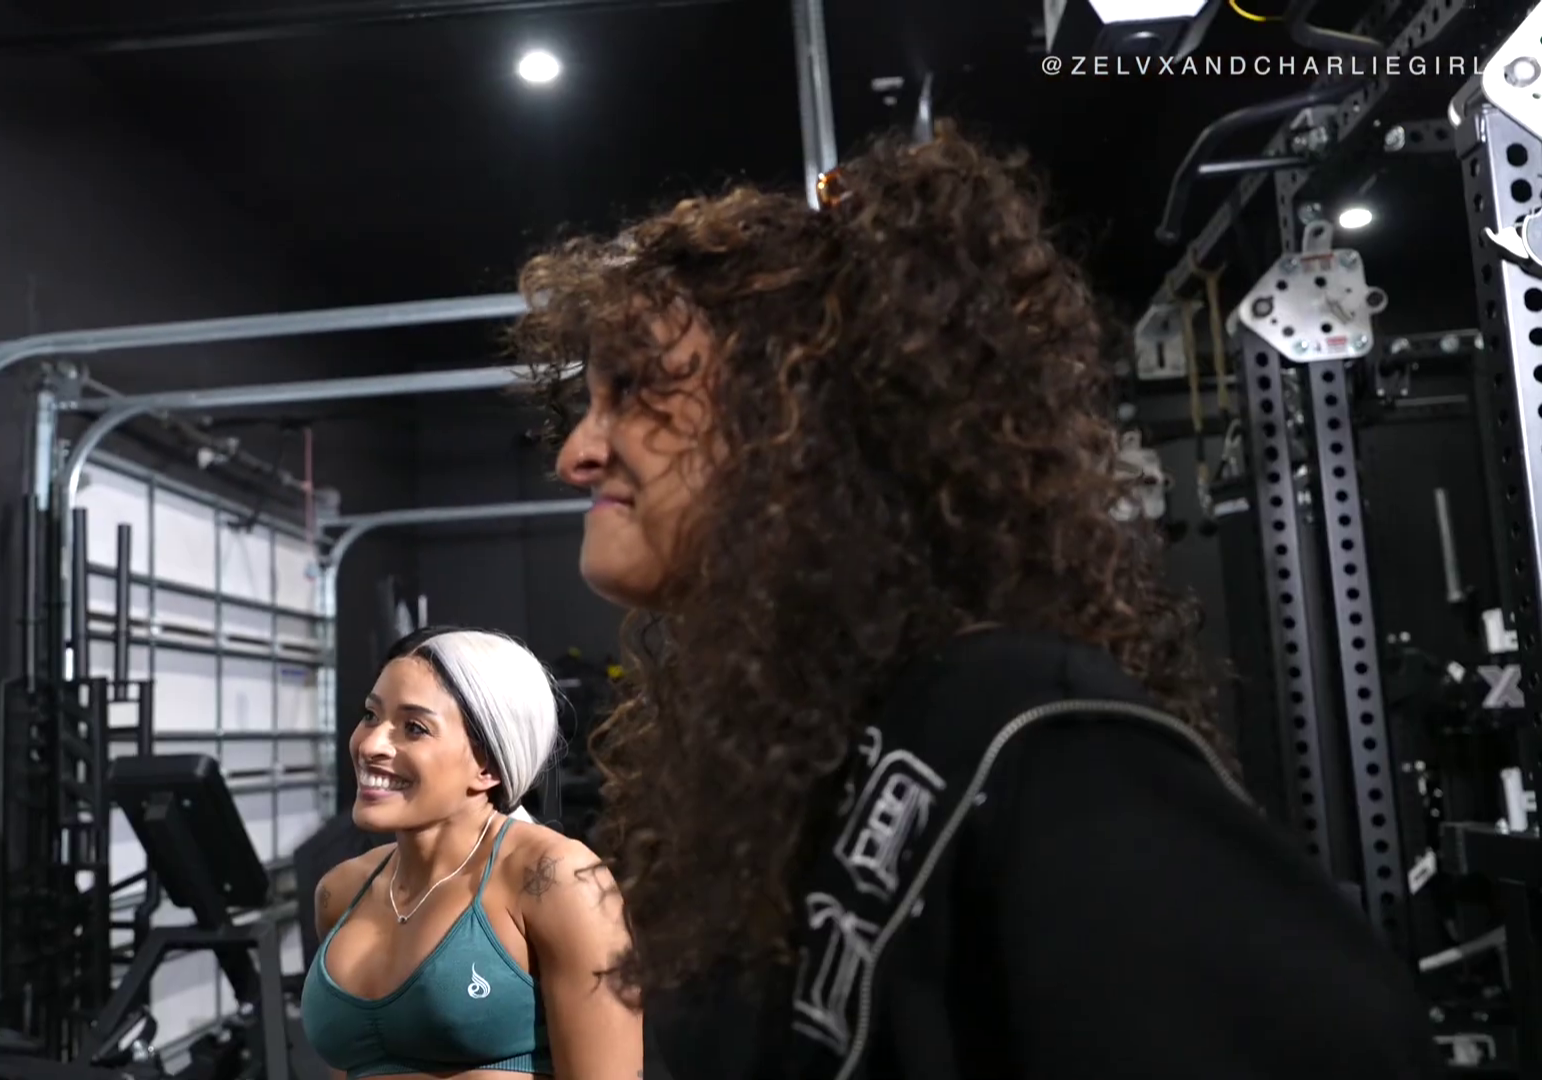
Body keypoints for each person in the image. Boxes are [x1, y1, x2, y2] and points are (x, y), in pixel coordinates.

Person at [509, 123, 1443, 1079]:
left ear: (798, 415)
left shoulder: (1027, 732)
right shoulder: (787, 765)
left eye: (633, 392)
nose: (577, 452)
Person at [301, 627, 642, 1080]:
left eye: (414, 728)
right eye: (370, 715)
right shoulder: (340, 891)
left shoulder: (556, 878)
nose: (369, 745)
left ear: (487, 766)